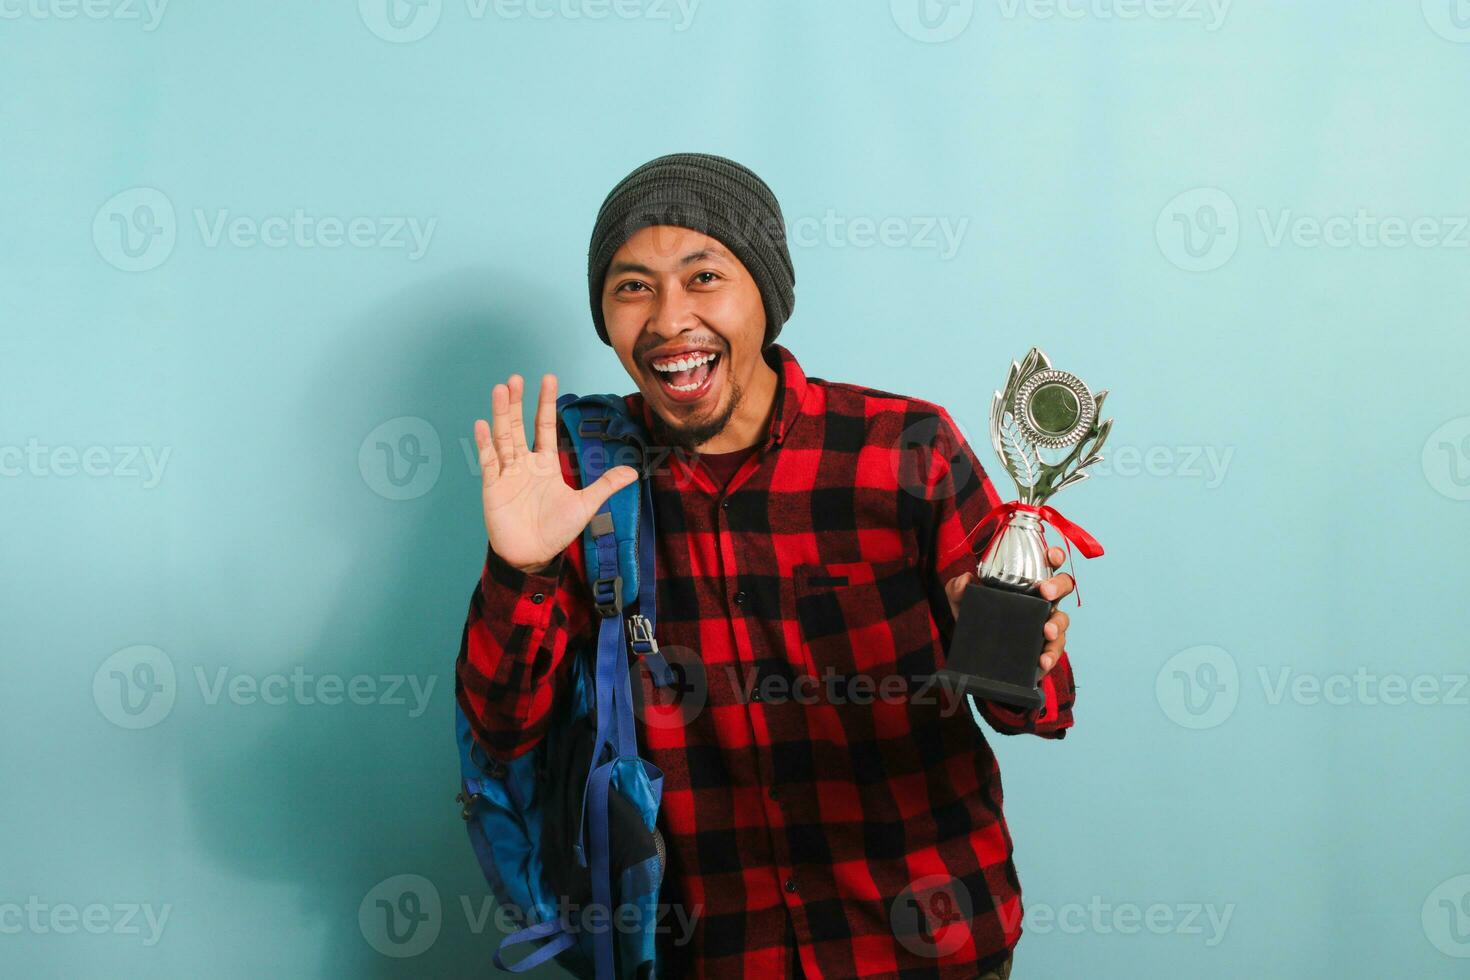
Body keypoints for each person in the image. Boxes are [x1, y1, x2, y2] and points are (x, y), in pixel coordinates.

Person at [455, 153, 1078, 979]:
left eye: (703, 275)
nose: (671, 319)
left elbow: (1035, 710)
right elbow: (504, 730)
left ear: (767, 295)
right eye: (632, 287)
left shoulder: (904, 449)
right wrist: (521, 570)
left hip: (927, 945)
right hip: (713, 956)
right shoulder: (583, 479)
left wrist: (1010, 655)